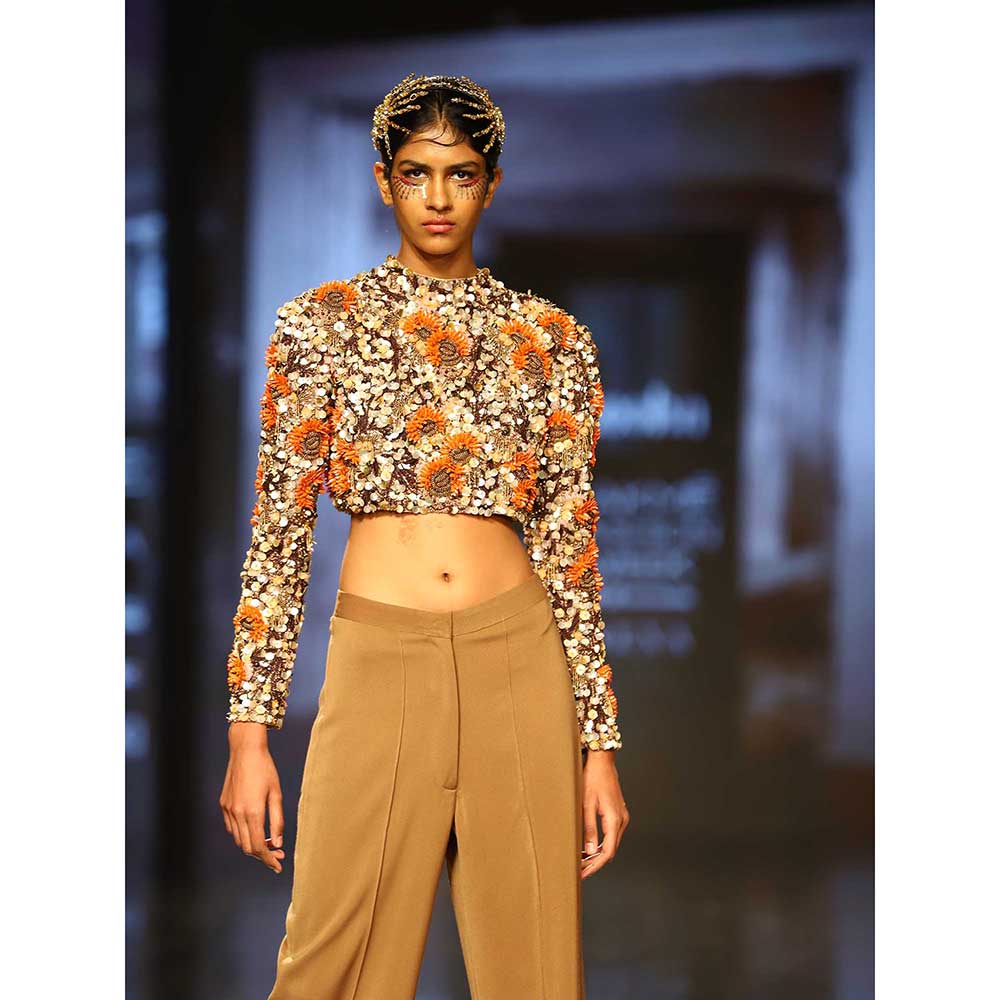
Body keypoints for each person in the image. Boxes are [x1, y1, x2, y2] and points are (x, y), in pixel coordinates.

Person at [218, 73, 629, 1000]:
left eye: (461, 173)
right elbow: (278, 535)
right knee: (330, 969)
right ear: (384, 181)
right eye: (415, 173)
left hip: (518, 662)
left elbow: (571, 549)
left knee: (535, 974)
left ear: (491, 185)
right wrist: (249, 735)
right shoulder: (318, 327)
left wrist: (598, 748)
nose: (438, 197)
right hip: (380, 660)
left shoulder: (553, 340)